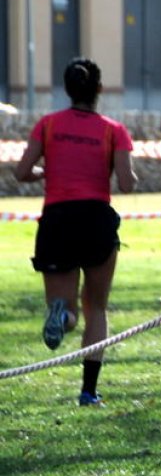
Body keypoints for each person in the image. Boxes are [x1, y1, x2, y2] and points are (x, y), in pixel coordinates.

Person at [14, 58, 137, 406]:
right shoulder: (114, 129)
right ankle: (88, 391)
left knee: (65, 307)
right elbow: (127, 185)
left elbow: (21, 172)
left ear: (67, 89)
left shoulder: (48, 125)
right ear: (98, 89)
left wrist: (44, 174)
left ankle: (61, 317)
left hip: (57, 220)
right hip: (95, 219)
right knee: (96, 308)